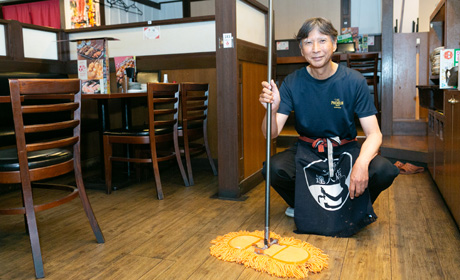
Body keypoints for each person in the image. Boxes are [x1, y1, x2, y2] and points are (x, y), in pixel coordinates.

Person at [259, 17, 399, 237]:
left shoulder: (354, 81)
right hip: (307, 151)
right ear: (301, 50)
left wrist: (362, 164)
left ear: (334, 44)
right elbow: (270, 133)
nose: (315, 49)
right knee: (273, 168)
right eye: (308, 42)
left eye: (322, 41)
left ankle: (355, 203)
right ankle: (300, 204)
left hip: (345, 149)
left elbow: (374, 134)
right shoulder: (292, 82)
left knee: (384, 170)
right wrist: (272, 110)